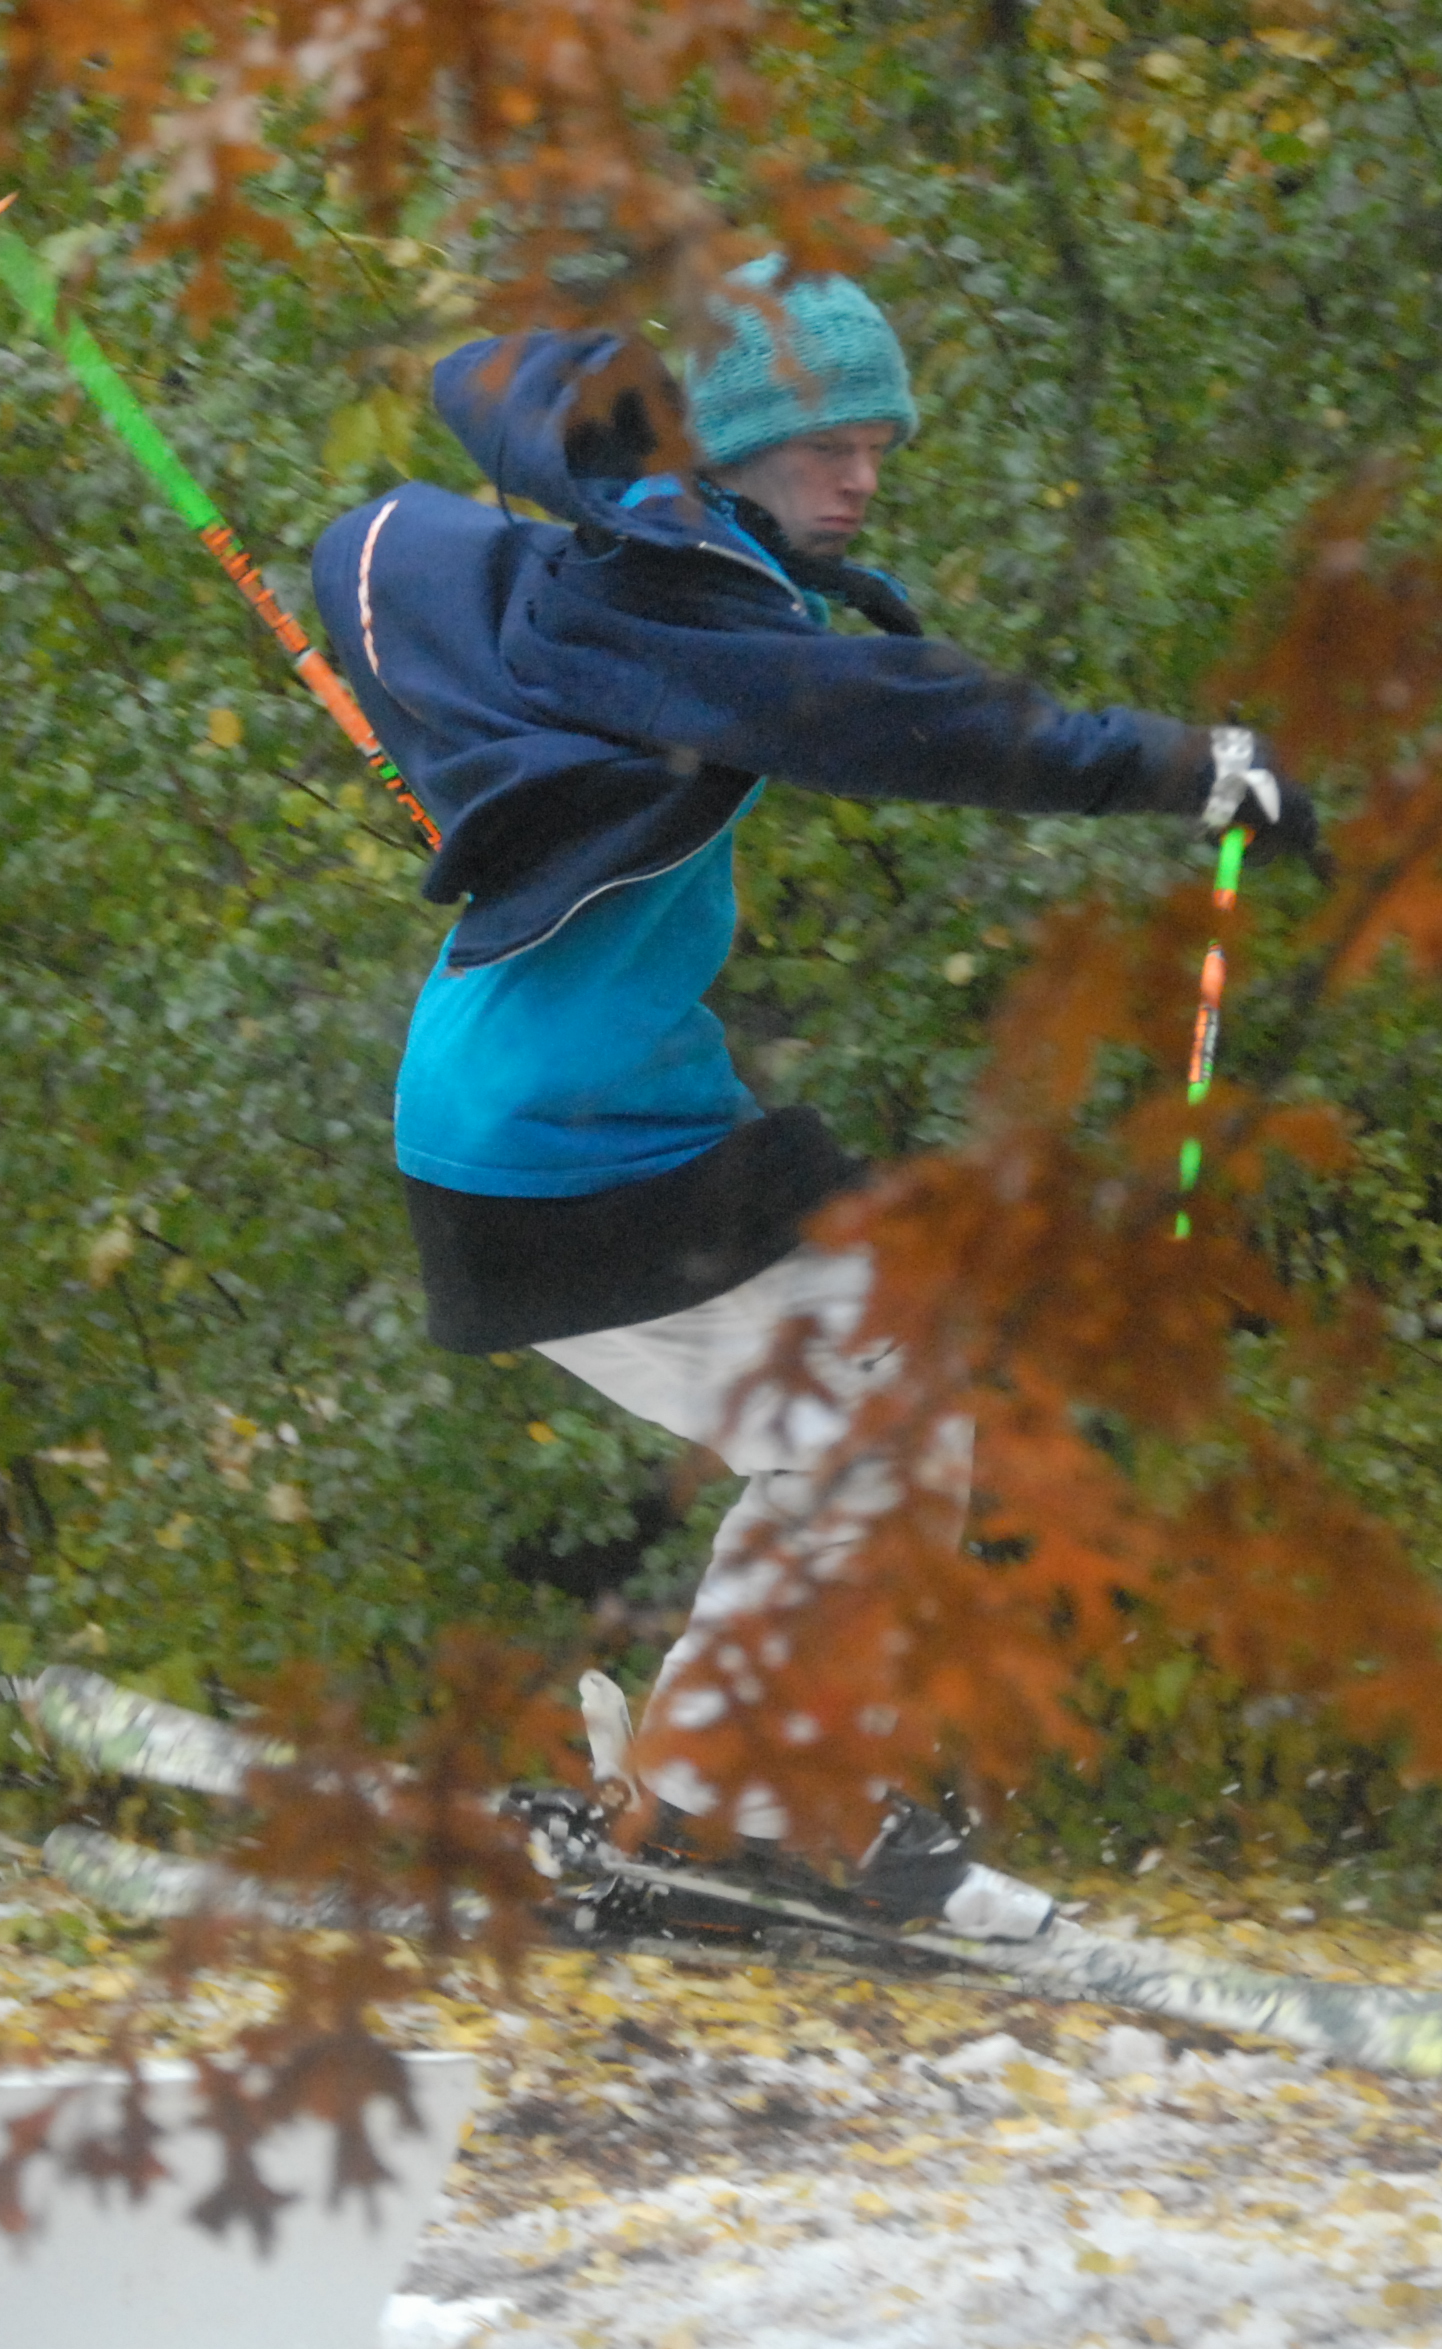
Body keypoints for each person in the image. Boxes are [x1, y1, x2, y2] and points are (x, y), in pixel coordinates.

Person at [313, 261, 1312, 1938]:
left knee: (884, 1389)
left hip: (598, 1112)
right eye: (829, 444)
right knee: (882, 1398)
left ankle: (716, 1802)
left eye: (880, 446)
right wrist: (1184, 764)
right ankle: (752, 1808)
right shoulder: (672, 603)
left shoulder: (664, 586)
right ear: (735, 449)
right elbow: (890, 722)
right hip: (554, 1135)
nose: (862, 478)